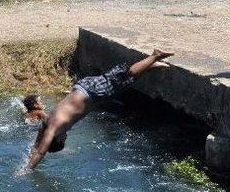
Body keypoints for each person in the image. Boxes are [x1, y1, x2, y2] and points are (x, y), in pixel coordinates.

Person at [22, 49, 173, 171]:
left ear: (58, 138)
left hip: (91, 92)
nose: (66, 138)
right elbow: (37, 144)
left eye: (63, 140)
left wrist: (27, 169)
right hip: (81, 87)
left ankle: (154, 56)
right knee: (123, 82)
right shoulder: (47, 122)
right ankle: (150, 65)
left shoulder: (54, 128)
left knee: (125, 76)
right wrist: (28, 158)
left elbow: (41, 151)